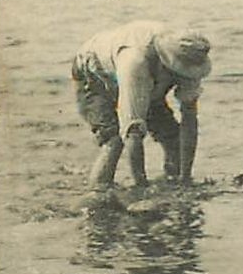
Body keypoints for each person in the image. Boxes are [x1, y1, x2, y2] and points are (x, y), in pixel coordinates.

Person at [71, 21, 212, 189]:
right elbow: (132, 131)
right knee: (113, 139)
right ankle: (98, 191)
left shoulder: (191, 56)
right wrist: (142, 188)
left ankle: (173, 180)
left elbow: (189, 119)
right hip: (93, 74)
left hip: (148, 78)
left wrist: (186, 178)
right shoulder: (135, 62)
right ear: (167, 63)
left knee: (173, 138)